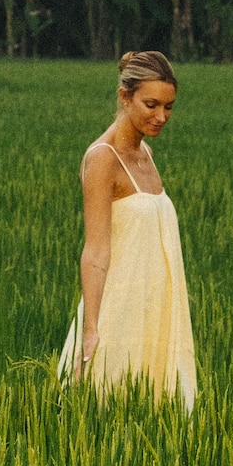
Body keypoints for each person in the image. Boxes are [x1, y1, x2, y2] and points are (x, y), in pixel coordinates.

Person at [56, 50, 197, 409]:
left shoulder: (145, 153)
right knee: (108, 410)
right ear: (125, 96)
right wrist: (91, 331)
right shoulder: (103, 158)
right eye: (151, 104)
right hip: (121, 311)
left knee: (160, 412)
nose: (161, 116)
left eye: (169, 107)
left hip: (158, 308)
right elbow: (96, 250)